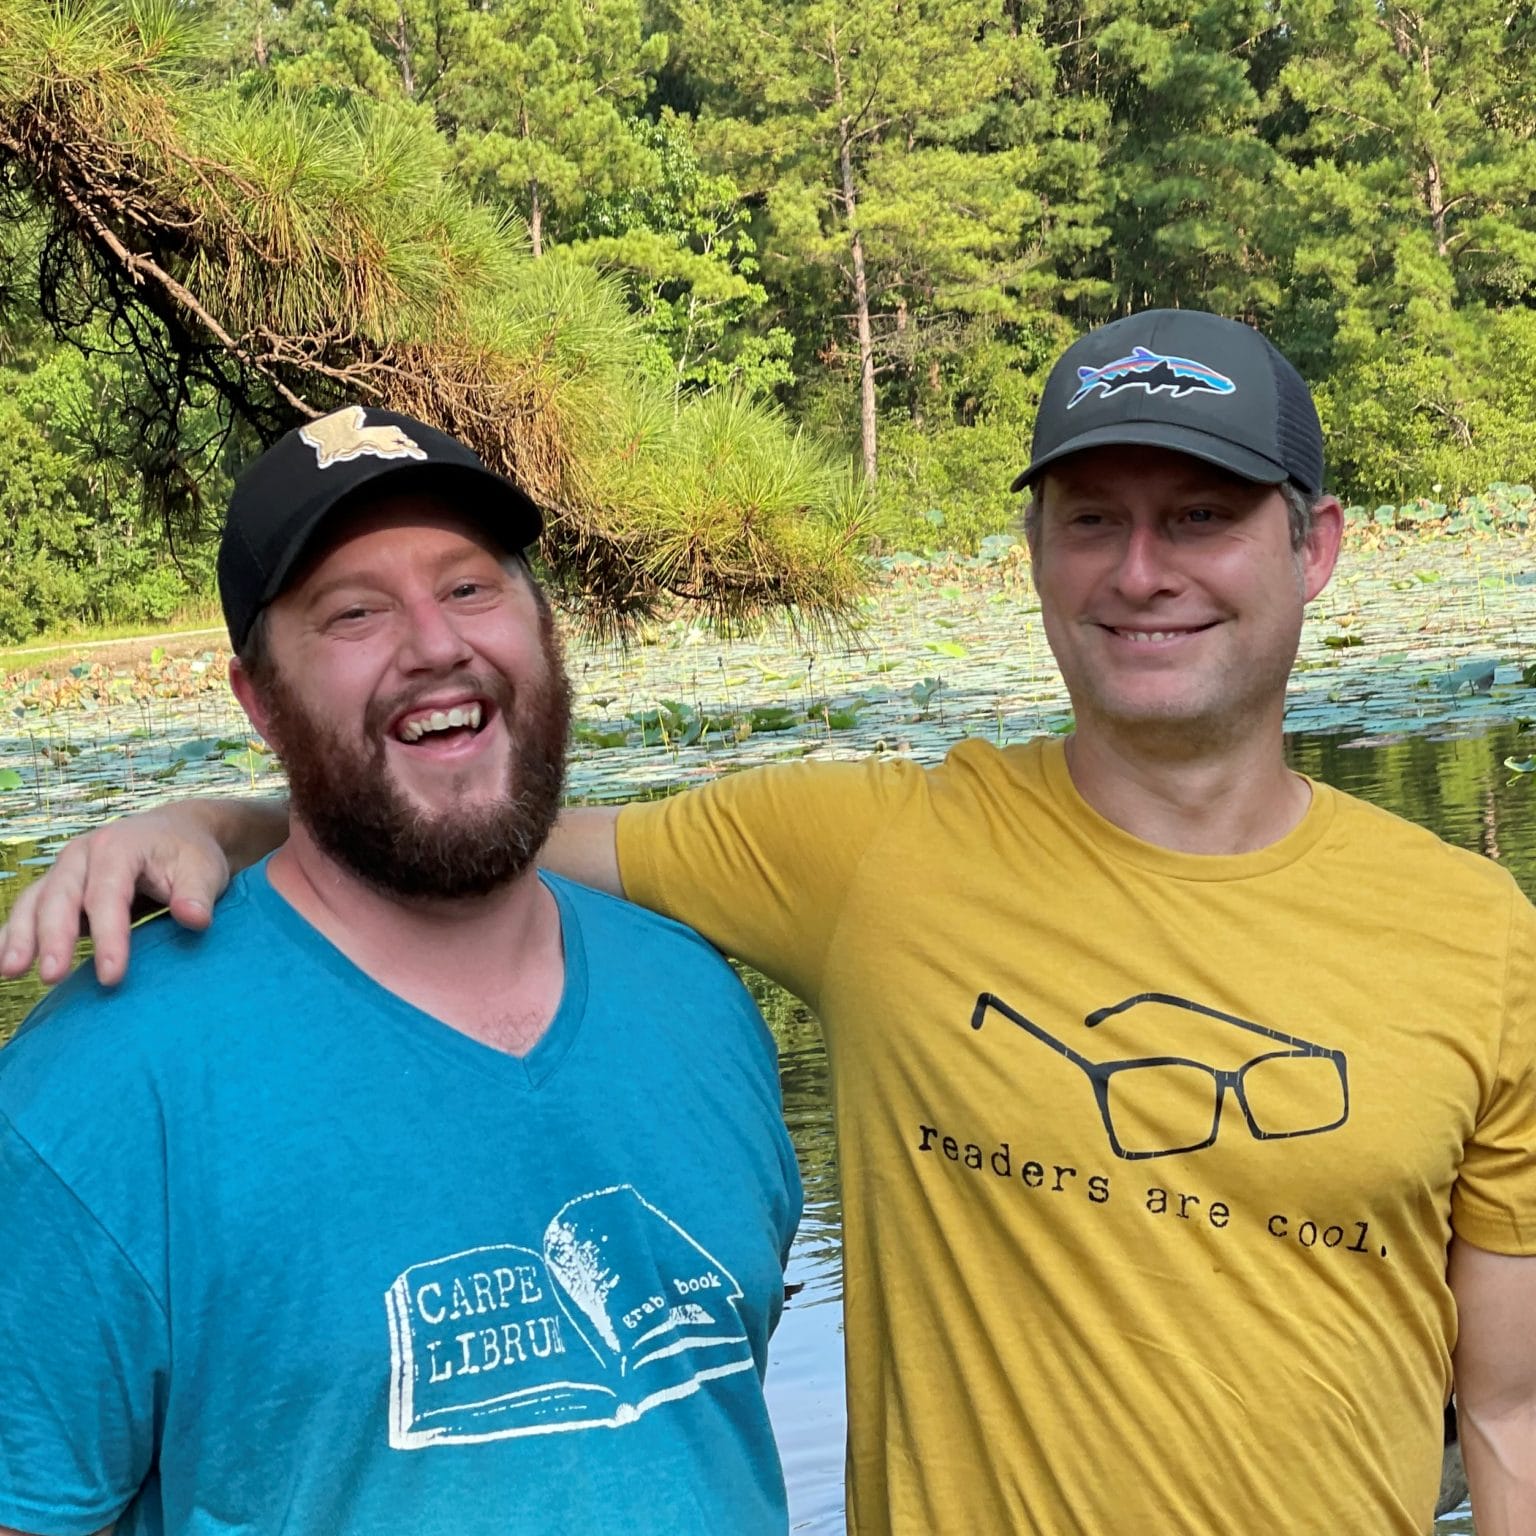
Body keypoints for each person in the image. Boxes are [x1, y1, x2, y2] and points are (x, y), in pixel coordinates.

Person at [5, 312, 1534, 1535]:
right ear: (1039, 554)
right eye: (1092, 520)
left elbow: (1513, 1416)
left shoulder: (1479, 942)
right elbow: (438, 831)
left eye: (1200, 516)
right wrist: (205, 822)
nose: (1142, 571)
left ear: (1315, 546)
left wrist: (227, 817)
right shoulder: (864, 852)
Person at [0, 407, 801, 1536]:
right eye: (355, 613)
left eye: (470, 588)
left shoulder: (696, 998)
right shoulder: (94, 1094)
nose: (434, 645)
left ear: (542, 628)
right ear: (259, 700)